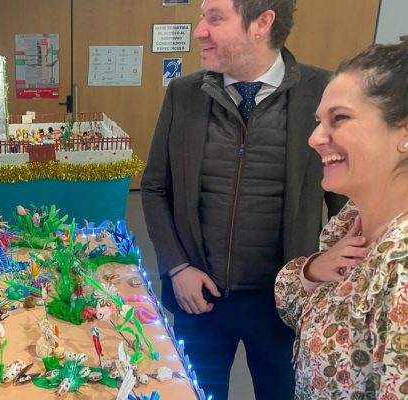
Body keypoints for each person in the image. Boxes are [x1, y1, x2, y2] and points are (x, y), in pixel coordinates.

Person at [140, 0, 346, 399]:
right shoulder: (184, 93)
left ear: (262, 23)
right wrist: (177, 267)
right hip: (199, 299)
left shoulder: (321, 94)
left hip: (285, 306)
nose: (200, 30)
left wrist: (324, 278)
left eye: (215, 18)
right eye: (202, 17)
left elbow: (346, 206)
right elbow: (155, 188)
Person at [275, 41, 408, 399]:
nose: (315, 138)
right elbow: (294, 304)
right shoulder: (351, 218)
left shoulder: (401, 266)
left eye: (340, 118)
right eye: (319, 121)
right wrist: (313, 270)